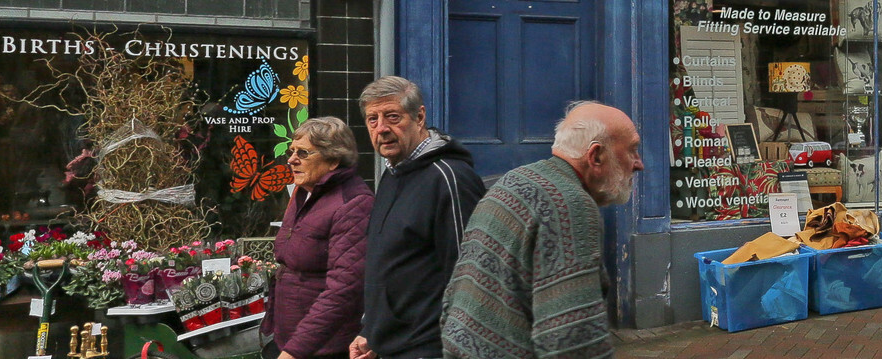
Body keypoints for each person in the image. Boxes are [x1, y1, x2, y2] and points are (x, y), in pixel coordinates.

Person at [442, 102, 643, 359]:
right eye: (633, 150)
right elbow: (572, 338)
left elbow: (457, 289)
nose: (639, 164)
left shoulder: (514, 179)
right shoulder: (570, 205)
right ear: (596, 156)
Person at [352, 77, 486, 359]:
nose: (382, 129)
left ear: (420, 116)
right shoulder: (393, 172)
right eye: (372, 120)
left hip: (429, 347)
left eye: (392, 117)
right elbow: (391, 263)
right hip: (391, 344)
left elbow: (470, 275)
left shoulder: (449, 178)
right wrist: (371, 330)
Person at [264, 117, 373, 359]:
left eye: (303, 153)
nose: (292, 159)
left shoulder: (353, 203)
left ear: (333, 160)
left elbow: (343, 288)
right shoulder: (305, 191)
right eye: (291, 151)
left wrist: (294, 351)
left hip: (325, 347)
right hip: (289, 338)